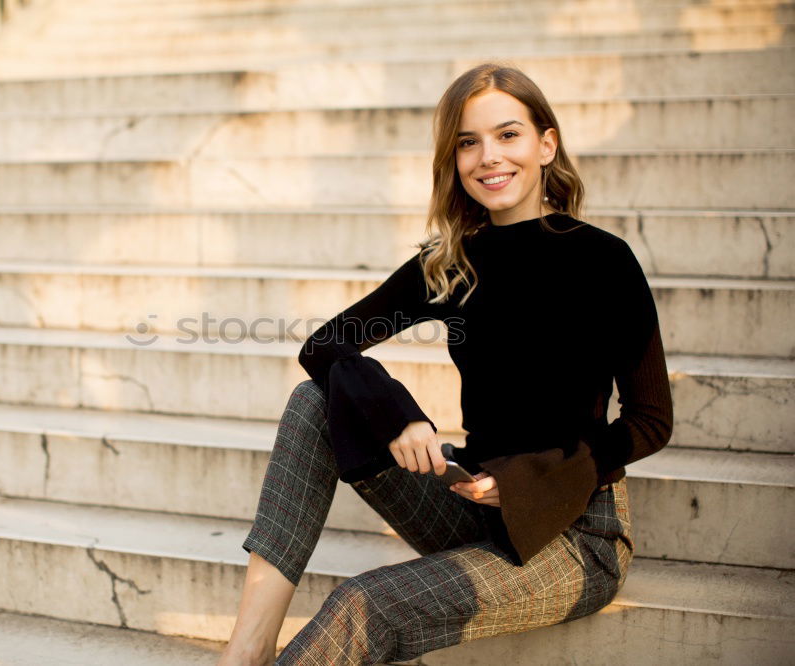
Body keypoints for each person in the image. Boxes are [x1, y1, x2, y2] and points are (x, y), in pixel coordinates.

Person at [216, 62, 673, 666]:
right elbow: (324, 345)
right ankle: (247, 649)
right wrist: (400, 414)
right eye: (468, 142)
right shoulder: (451, 263)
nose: (489, 156)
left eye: (507, 135)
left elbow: (650, 422)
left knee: (364, 602)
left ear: (546, 143)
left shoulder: (603, 261)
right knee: (316, 401)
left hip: (572, 535)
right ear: (454, 160)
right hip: (473, 507)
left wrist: (525, 480)